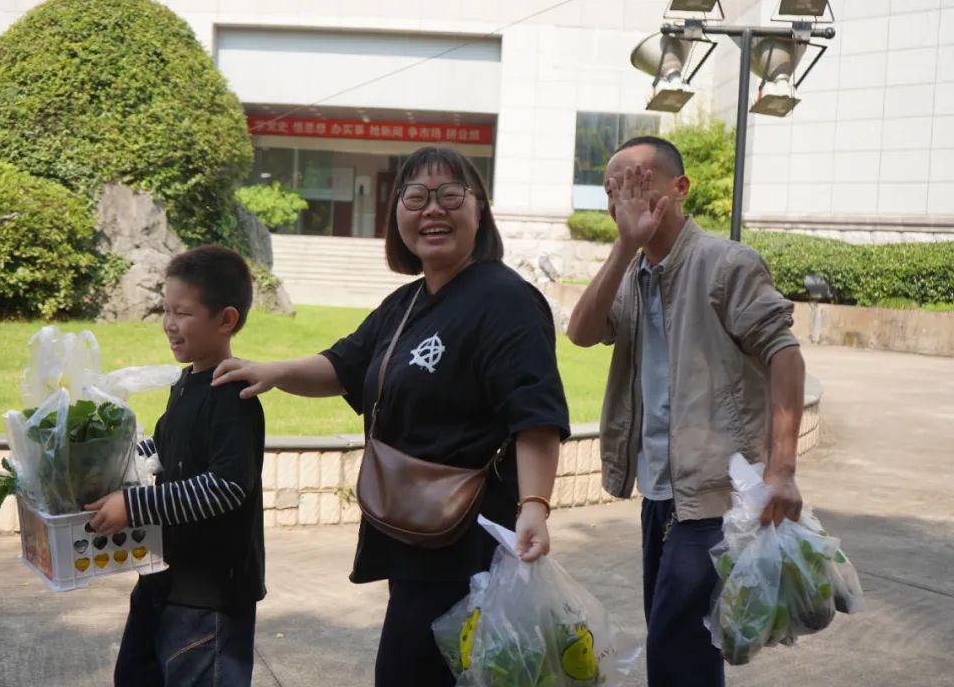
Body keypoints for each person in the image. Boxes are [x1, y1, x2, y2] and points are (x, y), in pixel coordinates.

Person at [212, 145, 570, 687]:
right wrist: (273, 371)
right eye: (416, 196)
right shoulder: (405, 304)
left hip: (470, 544)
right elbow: (343, 366)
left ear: (480, 212)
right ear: (396, 213)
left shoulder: (506, 300)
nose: (433, 210)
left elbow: (535, 413)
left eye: (451, 195)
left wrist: (535, 507)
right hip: (414, 534)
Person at [566, 136, 806, 687]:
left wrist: (782, 470)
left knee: (674, 639)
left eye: (639, 181)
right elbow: (580, 333)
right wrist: (624, 247)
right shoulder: (631, 274)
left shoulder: (726, 263)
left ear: (680, 187)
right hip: (658, 492)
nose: (625, 196)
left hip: (718, 492)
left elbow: (784, 354)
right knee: (681, 639)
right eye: (614, 190)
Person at [86, 245, 266, 687]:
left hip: (210, 598)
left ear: (226, 320)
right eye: (166, 310)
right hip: (165, 578)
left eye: (182, 313)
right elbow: (162, 450)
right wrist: (98, 460)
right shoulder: (185, 384)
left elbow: (226, 486)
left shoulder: (233, 396)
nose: (169, 323)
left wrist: (135, 505)